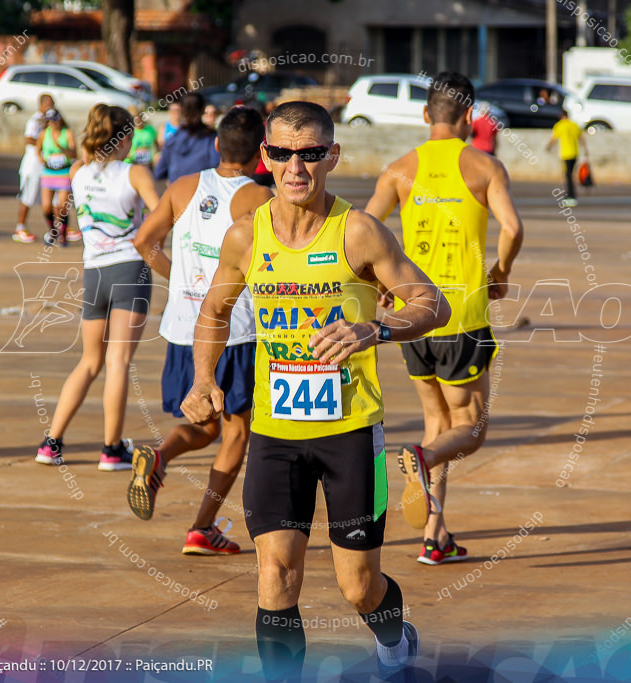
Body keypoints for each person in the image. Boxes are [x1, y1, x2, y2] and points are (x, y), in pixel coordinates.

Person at [178, 101, 451, 680]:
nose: (295, 167)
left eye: (309, 154)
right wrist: (203, 379)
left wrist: (372, 329)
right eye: (282, 153)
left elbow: (432, 303)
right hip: (275, 436)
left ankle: (395, 639)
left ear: (332, 156)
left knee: (359, 588)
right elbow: (213, 311)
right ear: (265, 158)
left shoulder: (358, 231)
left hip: (351, 433)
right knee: (275, 574)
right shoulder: (245, 237)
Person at [365, 71, 524, 565]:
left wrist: (380, 286)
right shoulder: (484, 166)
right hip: (464, 314)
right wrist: (500, 270)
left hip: (415, 314)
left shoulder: (398, 169)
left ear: (425, 114)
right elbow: (513, 229)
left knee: (437, 419)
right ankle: (424, 459)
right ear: (470, 117)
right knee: (470, 430)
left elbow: (364, 230)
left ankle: (435, 534)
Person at [128, 106, 272, 556]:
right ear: (262, 154)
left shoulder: (184, 186)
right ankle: (202, 527)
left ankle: (160, 455)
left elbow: (142, 242)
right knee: (235, 434)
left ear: (216, 145)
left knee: (204, 425)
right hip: (235, 332)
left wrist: (177, 280)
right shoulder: (260, 199)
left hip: (182, 328)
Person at [34, 105, 160, 471]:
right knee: (118, 361)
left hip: (94, 273)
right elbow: (162, 214)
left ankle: (51, 443)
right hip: (129, 269)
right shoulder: (135, 173)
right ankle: (111, 449)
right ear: (127, 139)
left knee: (89, 362)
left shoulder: (77, 172)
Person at [153, 93, 220, 184]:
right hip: (203, 192)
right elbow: (217, 166)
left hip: (178, 193)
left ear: (182, 111)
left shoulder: (173, 139)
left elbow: (159, 172)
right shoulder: (211, 138)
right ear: (203, 110)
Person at [14, 93, 54, 243]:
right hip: (32, 167)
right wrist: (43, 142)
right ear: (41, 105)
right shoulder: (35, 120)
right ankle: (20, 228)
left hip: (45, 167)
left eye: (53, 103)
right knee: (27, 197)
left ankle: (56, 228)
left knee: (52, 197)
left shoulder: (52, 121)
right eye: (48, 103)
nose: (51, 106)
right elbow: (28, 138)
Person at [37, 108, 79, 246]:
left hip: (63, 172)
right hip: (49, 172)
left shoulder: (67, 133)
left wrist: (61, 147)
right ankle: (52, 231)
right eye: (49, 121)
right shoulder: (44, 134)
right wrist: (42, 159)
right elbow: (38, 150)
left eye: (54, 121)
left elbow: (74, 154)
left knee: (62, 207)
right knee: (47, 207)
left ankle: (63, 235)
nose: (52, 124)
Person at [545, 108, 586, 208]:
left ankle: (571, 196)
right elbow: (581, 138)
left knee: (568, 176)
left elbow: (553, 138)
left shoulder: (559, 125)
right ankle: (571, 195)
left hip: (566, 153)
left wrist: (548, 147)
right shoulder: (574, 125)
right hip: (575, 153)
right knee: (570, 175)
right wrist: (585, 151)